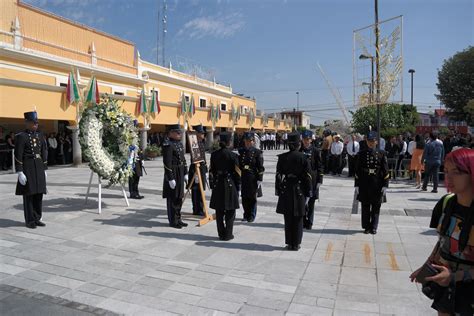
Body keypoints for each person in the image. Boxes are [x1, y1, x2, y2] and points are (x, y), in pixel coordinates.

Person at [410, 148, 474, 316]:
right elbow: (442, 241)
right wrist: (427, 266)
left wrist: (453, 277)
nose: (449, 178)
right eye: (446, 171)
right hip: (446, 287)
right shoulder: (446, 203)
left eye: (457, 172)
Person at [276, 132, 312, 251]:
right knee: (298, 217)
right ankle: (296, 243)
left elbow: (279, 176)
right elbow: (307, 177)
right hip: (299, 189)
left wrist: (279, 190)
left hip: (286, 189)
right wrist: (308, 192)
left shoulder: (282, 157)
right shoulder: (303, 157)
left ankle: (289, 243)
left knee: (288, 217)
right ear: (298, 144)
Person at [15, 111, 48, 229]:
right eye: (33, 123)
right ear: (27, 123)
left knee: (39, 193)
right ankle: (29, 220)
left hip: (38, 166)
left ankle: (37, 218)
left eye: (36, 123)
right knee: (29, 194)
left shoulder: (40, 135)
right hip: (28, 167)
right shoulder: (21, 136)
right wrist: (20, 172)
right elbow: (18, 154)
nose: (36, 125)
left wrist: (44, 168)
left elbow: (44, 150)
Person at [354, 131, 389, 234]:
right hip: (365, 183)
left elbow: (385, 170)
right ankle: (366, 226)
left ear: (376, 142)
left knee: (376, 206)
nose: (370, 143)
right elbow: (357, 170)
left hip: (377, 183)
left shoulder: (382, 153)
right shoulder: (361, 154)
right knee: (365, 206)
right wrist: (357, 184)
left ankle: (374, 226)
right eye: (369, 141)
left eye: (372, 141)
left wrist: (385, 185)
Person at [209, 132, 241, 241]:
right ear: (229, 142)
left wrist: (213, 184)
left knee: (219, 211)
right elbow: (238, 173)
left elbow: (211, 171)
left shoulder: (214, 154)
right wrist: (238, 187)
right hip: (229, 183)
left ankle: (220, 233)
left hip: (218, 183)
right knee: (230, 210)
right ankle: (228, 234)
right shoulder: (233, 155)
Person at [162, 124, 189, 229]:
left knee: (179, 197)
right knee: (172, 198)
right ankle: (173, 221)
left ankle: (178, 218)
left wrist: (185, 172)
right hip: (173, 172)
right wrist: (170, 178)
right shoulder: (168, 145)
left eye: (180, 132)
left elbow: (183, 159)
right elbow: (167, 163)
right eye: (177, 132)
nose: (179, 134)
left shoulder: (179, 144)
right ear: (170, 133)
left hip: (180, 171)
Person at [238, 131, 265, 222]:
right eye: (246, 141)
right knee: (244, 197)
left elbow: (260, 167)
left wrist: (260, 179)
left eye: (250, 141)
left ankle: (252, 215)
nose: (248, 143)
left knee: (252, 197)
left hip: (253, 177)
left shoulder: (257, 152)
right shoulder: (241, 151)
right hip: (244, 177)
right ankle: (246, 214)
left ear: (253, 141)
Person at [300, 130, 323, 230]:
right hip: (302, 180)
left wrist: (319, 180)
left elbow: (320, 166)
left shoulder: (316, 151)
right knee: (302, 201)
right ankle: (303, 220)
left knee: (311, 202)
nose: (306, 141)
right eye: (304, 139)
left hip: (313, 180)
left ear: (311, 140)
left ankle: (309, 222)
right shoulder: (299, 150)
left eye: (308, 139)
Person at [189, 124, 208, 216]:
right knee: (196, 190)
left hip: (202, 168)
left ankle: (201, 208)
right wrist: (196, 173)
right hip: (196, 169)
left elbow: (204, 158)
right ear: (196, 133)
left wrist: (206, 170)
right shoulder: (194, 143)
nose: (203, 135)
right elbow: (195, 159)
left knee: (201, 190)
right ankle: (197, 209)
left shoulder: (201, 143)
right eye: (201, 133)